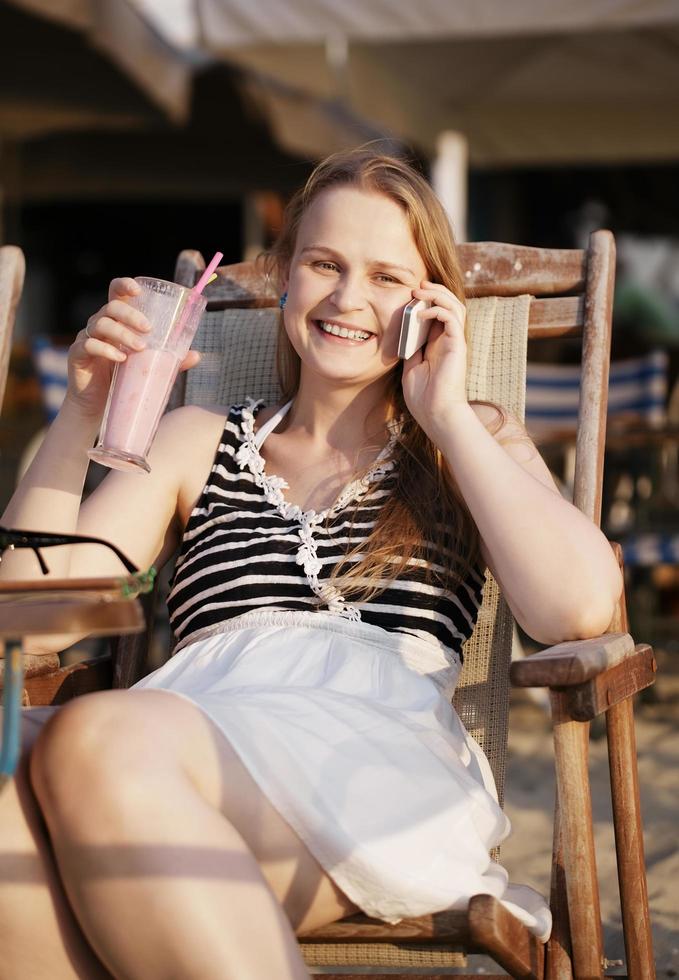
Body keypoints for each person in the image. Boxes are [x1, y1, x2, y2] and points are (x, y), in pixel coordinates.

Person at [0, 147, 623, 980]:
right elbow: (34, 610)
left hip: (363, 769)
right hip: (174, 754)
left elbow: (577, 611)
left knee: (95, 733)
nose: (348, 298)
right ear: (285, 278)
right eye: (325, 264)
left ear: (429, 302)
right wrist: (83, 412)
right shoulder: (198, 438)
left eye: (386, 277)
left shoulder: (463, 442)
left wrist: (447, 415)